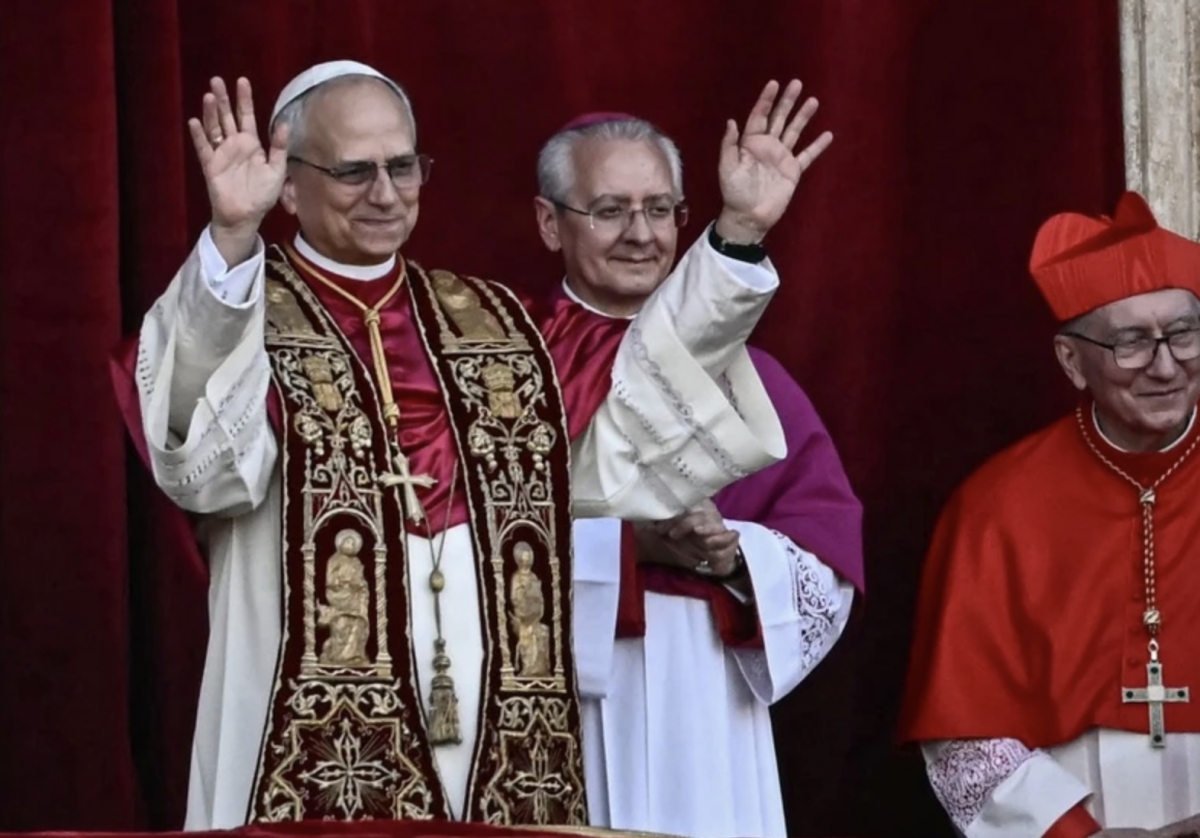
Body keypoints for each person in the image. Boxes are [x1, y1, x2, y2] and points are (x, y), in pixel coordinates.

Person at [115, 60, 834, 830]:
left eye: (403, 166)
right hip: (301, 732)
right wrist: (230, 238)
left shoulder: (494, 324)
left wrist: (739, 238)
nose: (386, 193)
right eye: (355, 170)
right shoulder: (241, 308)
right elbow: (201, 464)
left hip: (496, 737)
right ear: (288, 186)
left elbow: (643, 387)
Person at [530, 112, 862, 838]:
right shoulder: (507, 374)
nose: (641, 234)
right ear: (551, 224)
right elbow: (458, 548)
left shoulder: (756, 379)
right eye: (610, 210)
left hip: (706, 699)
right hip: (553, 699)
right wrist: (630, 549)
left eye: (660, 210)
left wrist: (735, 553)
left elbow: (827, 546)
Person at [899, 192, 1200, 838]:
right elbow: (964, 739)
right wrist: (1072, 836)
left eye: (1183, 333)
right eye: (1131, 343)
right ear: (1072, 361)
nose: (1166, 365)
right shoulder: (996, 507)